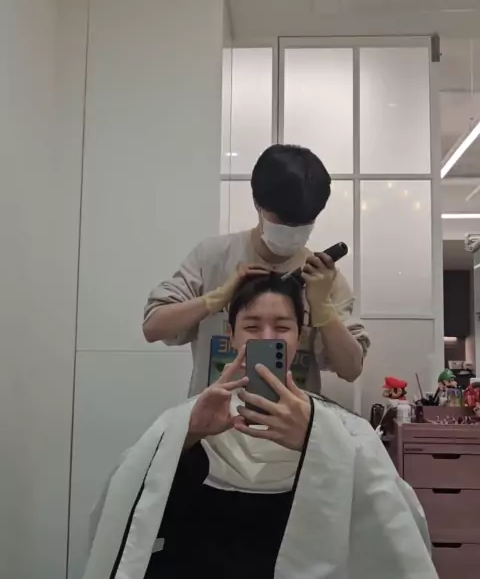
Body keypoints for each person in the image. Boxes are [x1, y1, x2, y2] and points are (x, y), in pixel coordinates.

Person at [86, 273, 437, 579]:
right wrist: (189, 436)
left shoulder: (341, 429)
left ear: (299, 337)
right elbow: (128, 512)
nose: (268, 338)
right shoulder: (191, 418)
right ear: (232, 335)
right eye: (252, 327)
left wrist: (316, 442)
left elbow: (393, 528)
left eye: (282, 327)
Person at [143, 144, 369, 396]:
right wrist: (216, 298)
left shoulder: (324, 278)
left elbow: (351, 369)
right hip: (214, 418)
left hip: (291, 419)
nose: (292, 229)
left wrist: (323, 308)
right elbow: (153, 328)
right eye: (282, 220)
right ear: (257, 203)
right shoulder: (212, 256)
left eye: (303, 223)